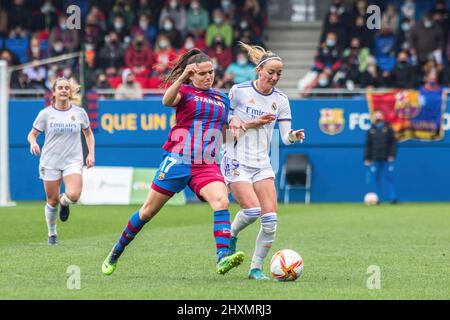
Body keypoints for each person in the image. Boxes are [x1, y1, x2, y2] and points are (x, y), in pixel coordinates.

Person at [102, 49, 246, 276]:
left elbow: (223, 134)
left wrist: (238, 125)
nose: (209, 77)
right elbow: (166, 100)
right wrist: (180, 78)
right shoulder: (185, 91)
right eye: (203, 74)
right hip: (178, 160)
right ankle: (115, 252)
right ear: (191, 75)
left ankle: (222, 257)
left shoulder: (222, 98)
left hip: (205, 164)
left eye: (211, 72)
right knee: (147, 212)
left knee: (221, 201)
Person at [222, 42, 306, 280]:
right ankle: (231, 235)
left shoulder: (281, 100)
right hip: (235, 158)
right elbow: (225, 131)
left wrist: (293, 136)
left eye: (279, 73)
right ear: (259, 70)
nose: (275, 77)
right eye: (271, 72)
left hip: (262, 163)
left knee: (270, 221)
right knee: (252, 211)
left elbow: (287, 138)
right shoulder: (239, 91)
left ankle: (255, 268)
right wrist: (244, 123)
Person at [27, 77, 96, 245]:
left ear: (70, 92)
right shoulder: (45, 114)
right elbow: (32, 134)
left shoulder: (79, 113)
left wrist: (91, 154)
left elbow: (88, 133)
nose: (64, 90)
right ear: (54, 92)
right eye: (60, 88)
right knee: (51, 200)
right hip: (50, 161)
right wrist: (34, 143)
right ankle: (52, 234)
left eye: (66, 87)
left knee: (73, 195)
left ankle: (65, 203)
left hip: (72, 161)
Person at [364, 110, 398, 204]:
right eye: (376, 115)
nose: (378, 117)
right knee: (375, 179)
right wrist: (367, 158)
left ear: (382, 116)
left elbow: (393, 143)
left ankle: (393, 198)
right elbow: (368, 145)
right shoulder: (371, 129)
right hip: (375, 158)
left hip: (386, 158)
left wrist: (392, 155)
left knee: (389, 178)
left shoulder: (388, 128)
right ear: (374, 117)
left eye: (379, 115)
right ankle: (376, 198)